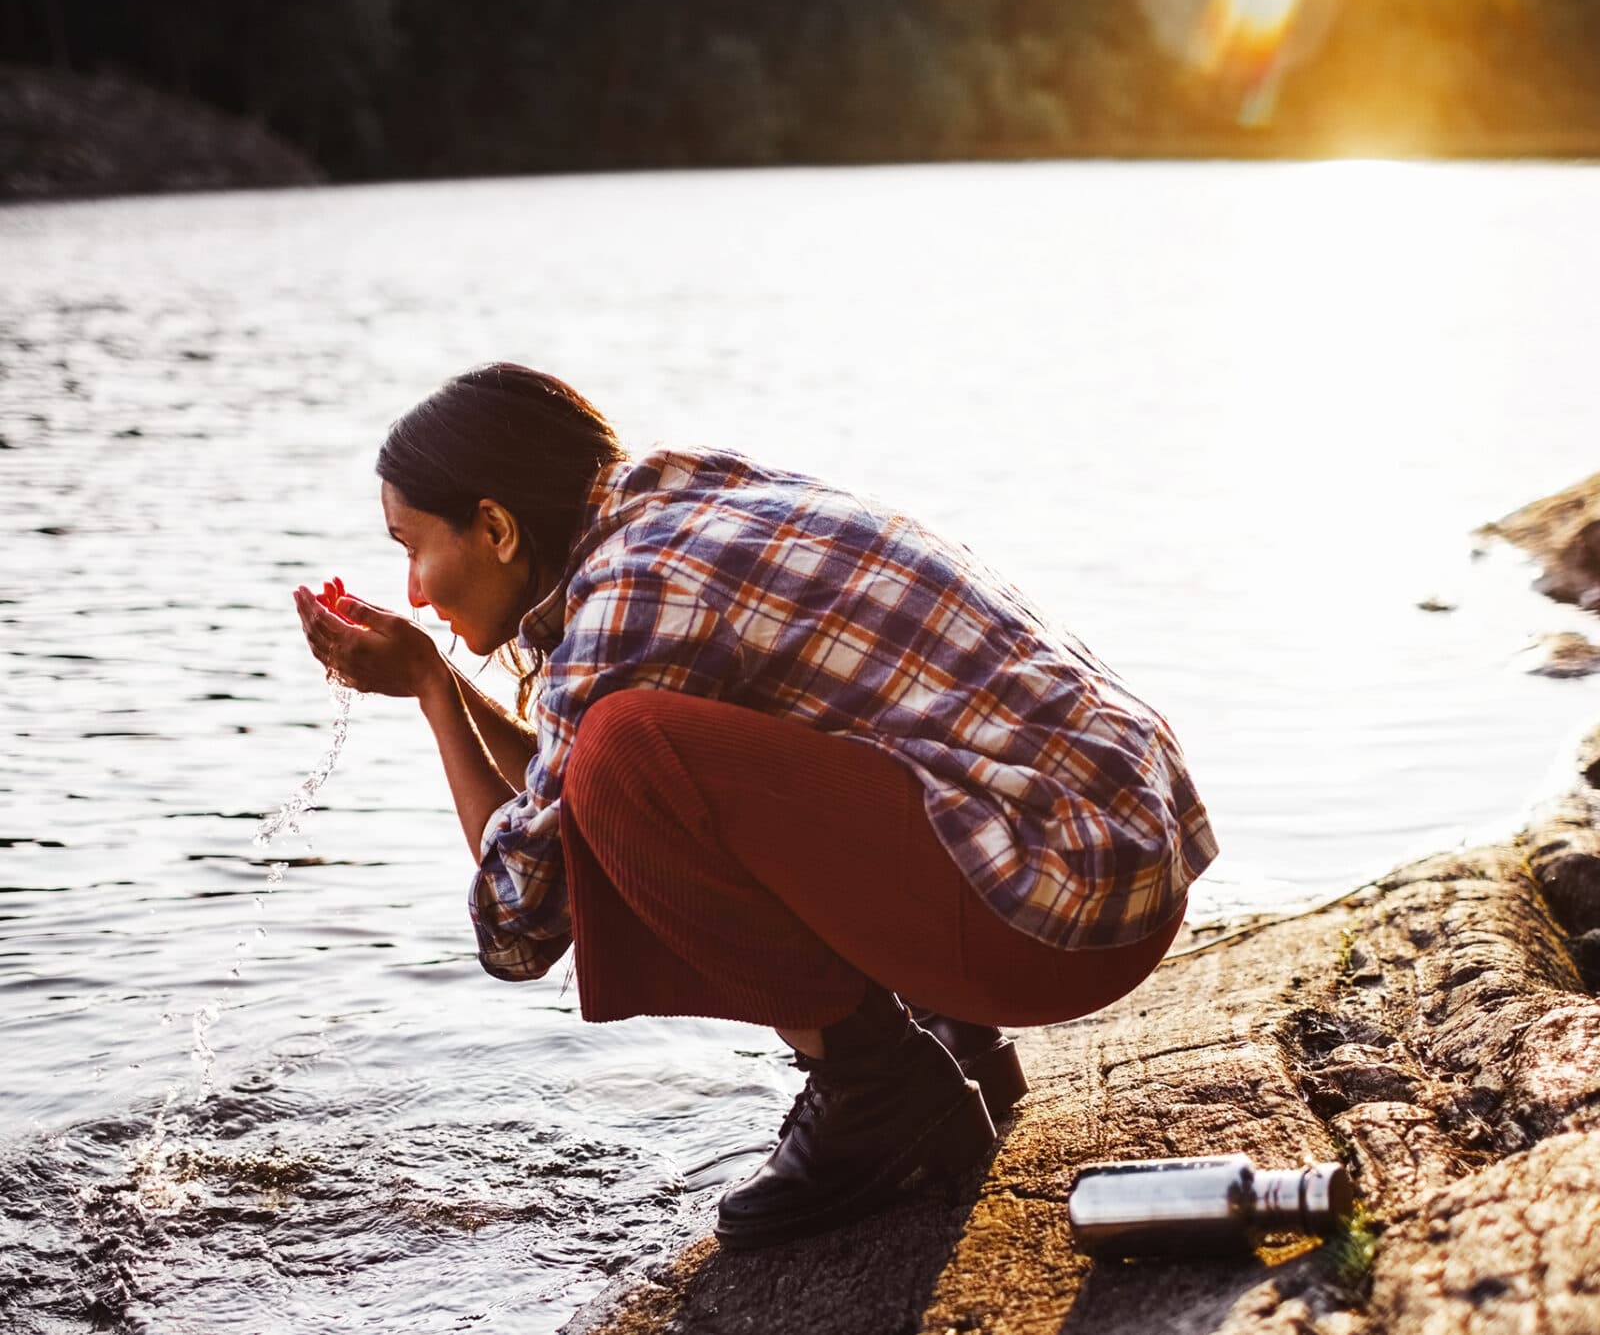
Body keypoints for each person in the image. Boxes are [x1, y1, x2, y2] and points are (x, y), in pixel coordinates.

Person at [293, 362, 1217, 1250]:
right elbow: (568, 796)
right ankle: (951, 1039)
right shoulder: (691, 499)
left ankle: (878, 1091)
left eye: (412, 548)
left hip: (1058, 924)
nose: (412, 588)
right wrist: (442, 683)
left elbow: (518, 923)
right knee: (632, 753)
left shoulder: (636, 585)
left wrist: (428, 690)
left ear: (494, 527)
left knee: (627, 747)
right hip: (1109, 863)